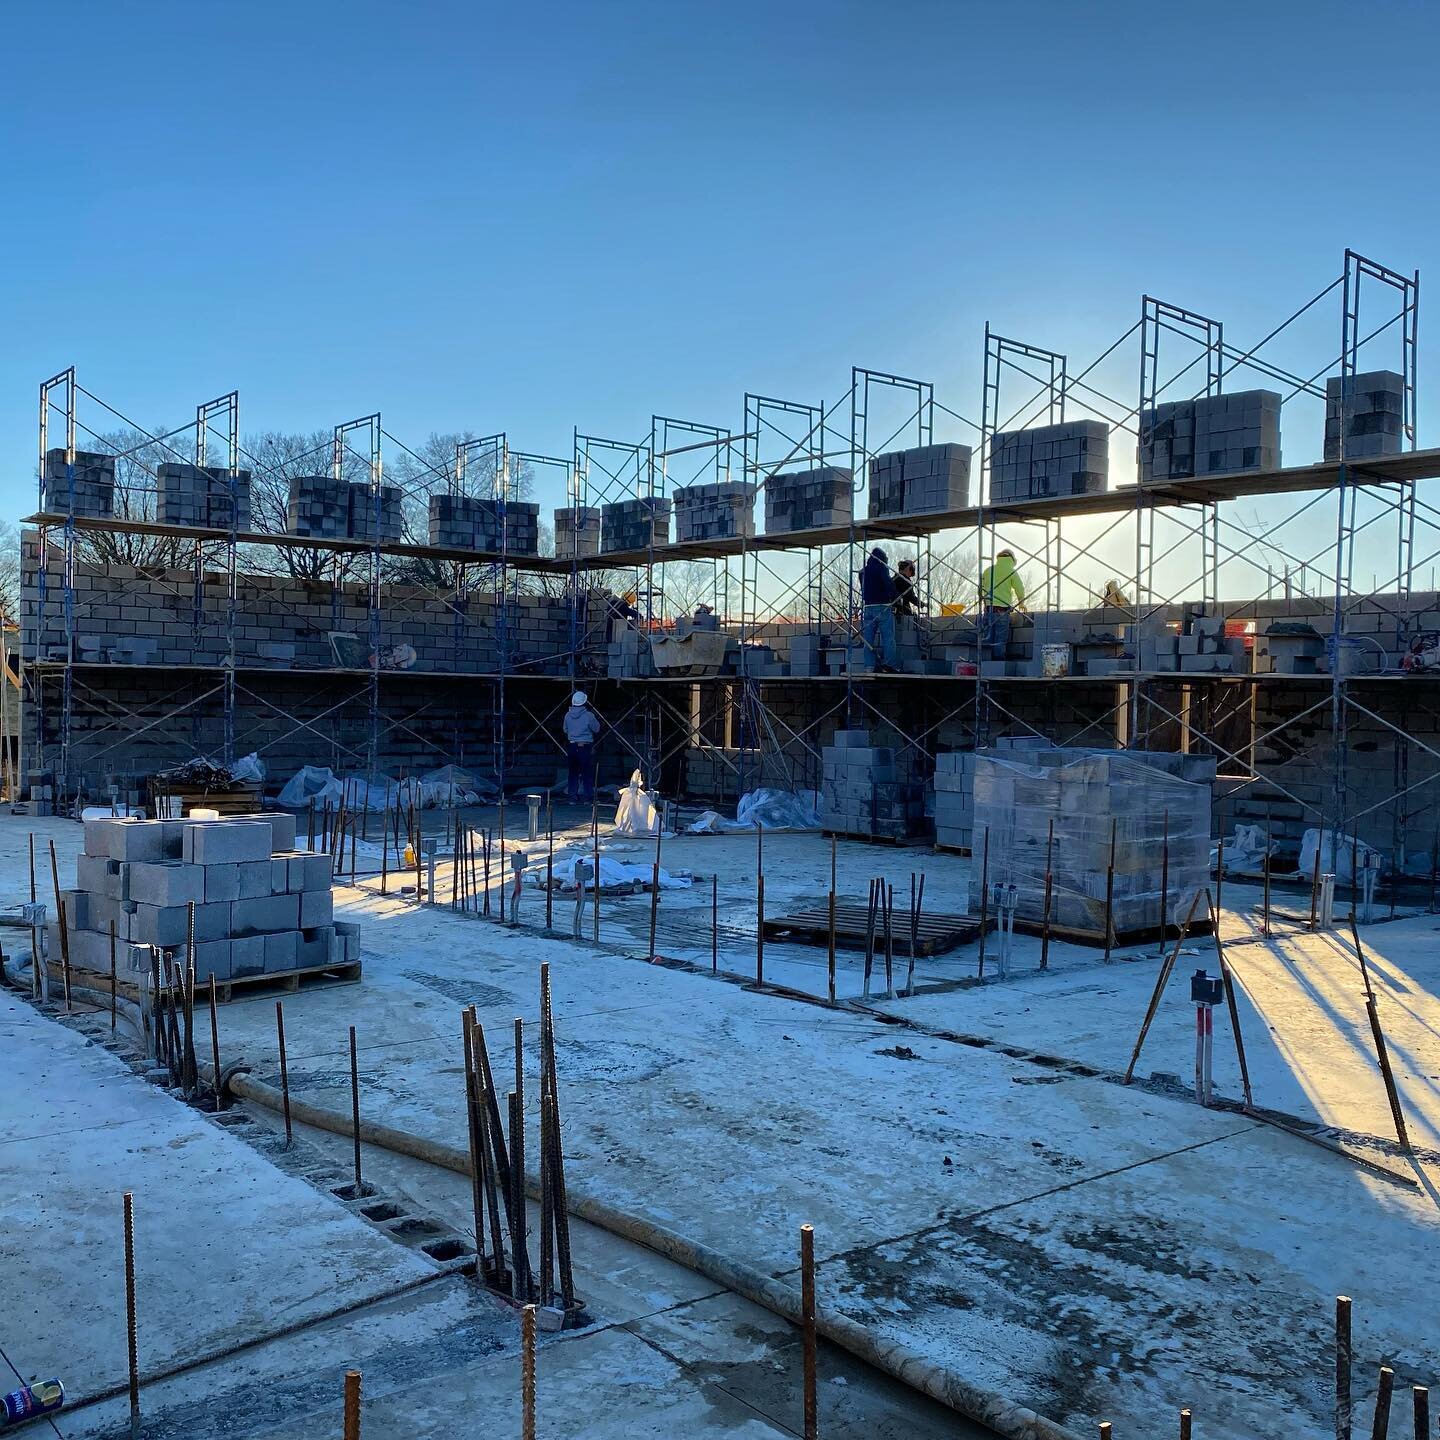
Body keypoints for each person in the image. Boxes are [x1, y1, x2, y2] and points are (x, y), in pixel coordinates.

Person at [977, 548, 1026, 658]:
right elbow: (1020, 588)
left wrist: (986, 603)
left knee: (987, 639)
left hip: (988, 611)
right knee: (1000, 641)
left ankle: (985, 666)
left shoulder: (988, 570)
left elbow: (980, 590)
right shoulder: (1011, 571)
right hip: (1002, 611)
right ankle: (997, 666)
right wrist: (1021, 603)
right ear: (1012, 559)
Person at [859, 546, 898, 672]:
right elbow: (888, 584)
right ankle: (889, 665)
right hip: (883, 606)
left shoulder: (862, 572)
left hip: (868, 607)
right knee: (888, 637)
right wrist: (896, 598)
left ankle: (869, 667)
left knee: (868, 639)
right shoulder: (882, 568)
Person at [564, 690, 601, 804]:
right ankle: (588, 799)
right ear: (585, 702)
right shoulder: (588, 715)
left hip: (572, 746)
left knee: (573, 773)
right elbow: (597, 729)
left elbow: (565, 729)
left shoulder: (567, 715)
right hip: (584, 747)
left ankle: (572, 799)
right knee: (587, 774)